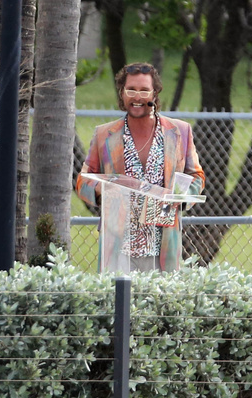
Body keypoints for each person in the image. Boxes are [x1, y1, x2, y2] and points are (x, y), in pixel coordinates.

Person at [76, 62, 205, 272]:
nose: (137, 97)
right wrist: (103, 190)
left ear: (154, 94)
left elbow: (196, 176)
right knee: (117, 304)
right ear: (122, 93)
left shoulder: (179, 131)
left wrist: (177, 199)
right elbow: (83, 180)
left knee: (159, 304)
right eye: (131, 90)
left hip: (163, 246)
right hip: (117, 246)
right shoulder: (104, 135)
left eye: (144, 90)